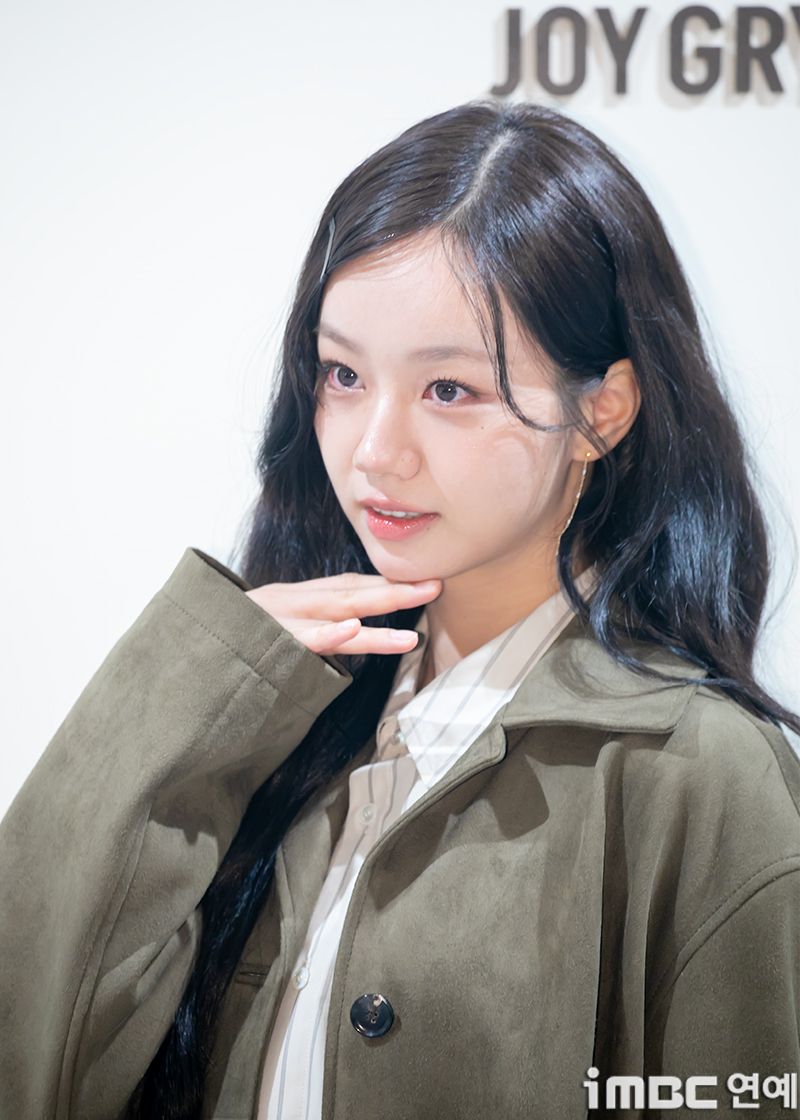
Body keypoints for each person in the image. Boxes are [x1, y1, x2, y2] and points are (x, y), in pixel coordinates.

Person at [0, 101, 798, 1120]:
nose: (373, 450)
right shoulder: (284, 724)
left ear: (600, 410)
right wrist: (193, 688)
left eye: (449, 389)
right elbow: (37, 1065)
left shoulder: (701, 776)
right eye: (342, 374)